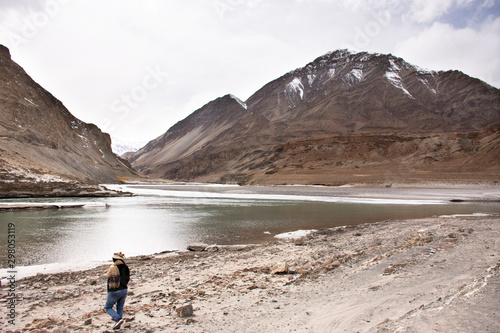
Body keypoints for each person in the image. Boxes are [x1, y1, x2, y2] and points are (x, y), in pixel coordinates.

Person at [104, 252, 130, 330]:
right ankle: (118, 324)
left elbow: (109, 279)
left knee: (108, 307)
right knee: (120, 307)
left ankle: (118, 319)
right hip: (124, 290)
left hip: (114, 291)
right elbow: (127, 279)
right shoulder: (126, 267)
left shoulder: (113, 267)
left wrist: (109, 290)